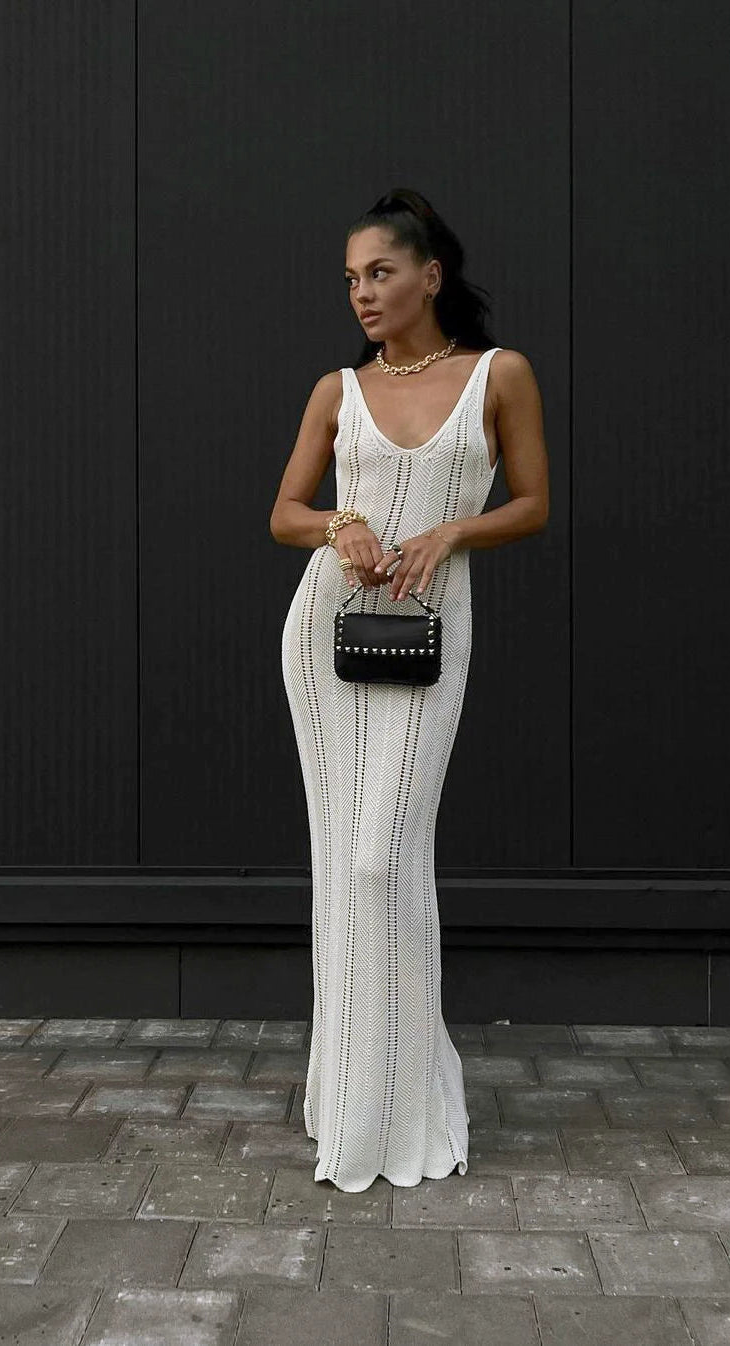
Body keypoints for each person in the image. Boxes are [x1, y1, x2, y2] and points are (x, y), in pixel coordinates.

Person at [270, 187, 549, 1192]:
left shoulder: (498, 375)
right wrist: (338, 525)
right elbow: (284, 512)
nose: (362, 292)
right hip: (325, 635)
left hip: (430, 636)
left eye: (380, 272)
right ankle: (351, 1103)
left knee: (382, 859)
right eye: (351, 278)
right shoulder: (336, 390)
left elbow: (533, 503)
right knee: (340, 866)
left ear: (430, 275)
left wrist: (453, 529)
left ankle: (405, 1102)